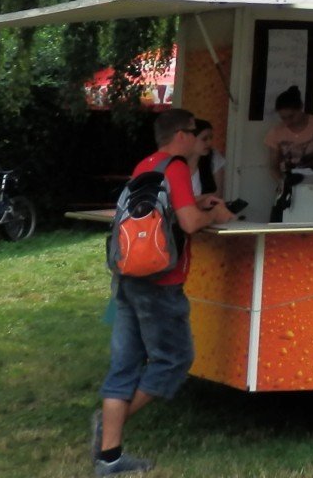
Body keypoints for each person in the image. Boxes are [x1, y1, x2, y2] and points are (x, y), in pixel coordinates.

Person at [94, 106, 237, 476]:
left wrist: (194, 203)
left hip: (128, 277)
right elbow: (189, 224)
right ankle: (112, 425)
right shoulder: (175, 167)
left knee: (125, 363)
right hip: (161, 283)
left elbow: (155, 213)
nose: (199, 138)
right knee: (173, 360)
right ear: (182, 136)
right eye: (194, 131)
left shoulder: (146, 165)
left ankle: (109, 455)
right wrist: (213, 214)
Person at [262, 87, 313, 176]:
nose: (288, 121)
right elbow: (274, 167)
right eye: (283, 118)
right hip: (289, 182)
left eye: (291, 116)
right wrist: (283, 183)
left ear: (301, 107)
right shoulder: (276, 132)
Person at [191, 118, 228, 200]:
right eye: (204, 139)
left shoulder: (214, 157)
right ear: (190, 139)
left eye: (211, 138)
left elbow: (217, 194)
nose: (209, 143)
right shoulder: (177, 161)